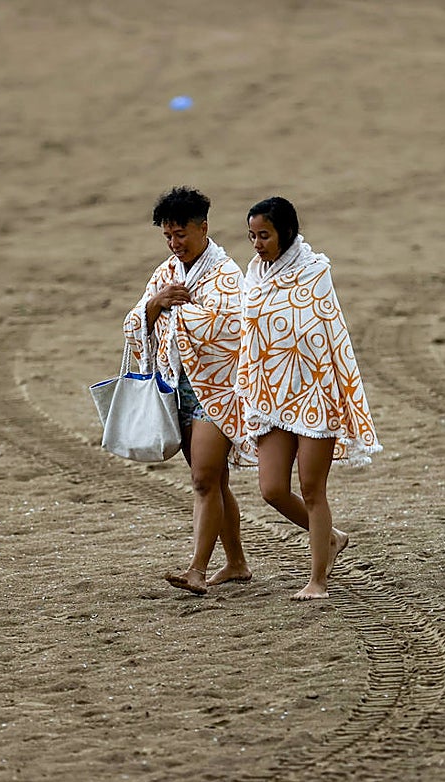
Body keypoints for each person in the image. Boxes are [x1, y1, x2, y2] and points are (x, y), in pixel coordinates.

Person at [238, 196, 381, 600]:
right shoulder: (255, 273)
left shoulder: (315, 272)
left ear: (286, 232)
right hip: (272, 395)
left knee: (313, 488)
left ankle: (318, 580)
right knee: (271, 489)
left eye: (264, 235)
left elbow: (326, 333)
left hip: (316, 393)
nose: (257, 244)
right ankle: (332, 538)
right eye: (252, 236)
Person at [124, 187, 255, 596]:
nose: (174, 243)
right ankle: (236, 563)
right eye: (167, 236)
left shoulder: (226, 274)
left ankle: (196, 570)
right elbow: (134, 321)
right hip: (176, 387)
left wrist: (172, 309)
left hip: (217, 390)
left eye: (180, 234)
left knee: (202, 480)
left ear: (203, 228)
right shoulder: (166, 273)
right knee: (216, 482)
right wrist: (157, 303)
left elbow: (228, 325)